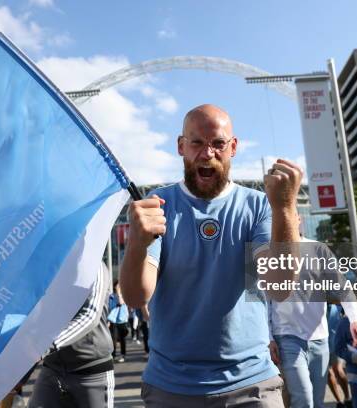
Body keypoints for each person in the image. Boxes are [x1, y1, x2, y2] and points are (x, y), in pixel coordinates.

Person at [120, 104, 304, 407]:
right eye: (196, 143)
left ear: (233, 147)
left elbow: (280, 286)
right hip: (171, 386)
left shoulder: (258, 205)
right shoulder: (158, 205)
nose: (207, 154)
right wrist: (137, 243)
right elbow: (135, 297)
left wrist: (285, 208)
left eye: (218, 143)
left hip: (251, 384)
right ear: (181, 146)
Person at [268, 237, 357, 408]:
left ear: (299, 219)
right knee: (303, 399)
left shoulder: (318, 249)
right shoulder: (268, 251)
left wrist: (355, 320)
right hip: (286, 337)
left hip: (320, 338)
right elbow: (262, 300)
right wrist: (268, 337)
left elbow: (342, 287)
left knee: (317, 401)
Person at [29, 262, 115, 408]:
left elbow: (90, 315)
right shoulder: (50, 263)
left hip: (91, 371)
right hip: (53, 368)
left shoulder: (95, 266)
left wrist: (46, 345)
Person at [108, 280, 129, 363]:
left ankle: (123, 355)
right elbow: (110, 308)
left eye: (120, 286)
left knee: (122, 339)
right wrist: (108, 320)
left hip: (122, 320)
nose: (118, 287)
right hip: (113, 320)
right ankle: (113, 356)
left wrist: (119, 293)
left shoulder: (124, 295)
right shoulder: (111, 296)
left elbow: (120, 302)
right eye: (117, 286)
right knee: (113, 339)